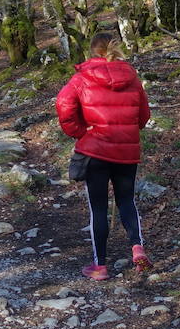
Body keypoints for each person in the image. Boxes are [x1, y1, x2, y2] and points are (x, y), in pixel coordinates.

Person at [55, 31, 153, 280]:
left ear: (92, 50)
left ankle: (100, 266)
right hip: (126, 151)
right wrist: (128, 131)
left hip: (95, 150)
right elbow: (143, 116)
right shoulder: (131, 77)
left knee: (98, 208)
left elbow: (63, 104)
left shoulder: (81, 78)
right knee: (127, 201)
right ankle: (137, 247)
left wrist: (79, 131)